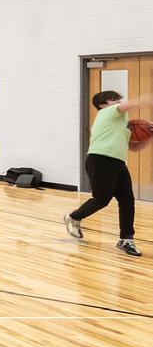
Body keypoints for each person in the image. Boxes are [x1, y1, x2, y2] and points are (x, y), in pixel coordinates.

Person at [64, 89, 153, 256]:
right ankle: (74, 217)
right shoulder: (106, 113)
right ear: (102, 105)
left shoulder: (122, 124)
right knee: (101, 200)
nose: (118, 101)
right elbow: (132, 104)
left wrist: (150, 135)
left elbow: (134, 148)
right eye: (114, 99)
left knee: (127, 201)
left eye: (119, 99)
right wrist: (147, 99)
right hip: (100, 159)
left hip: (118, 163)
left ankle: (126, 239)